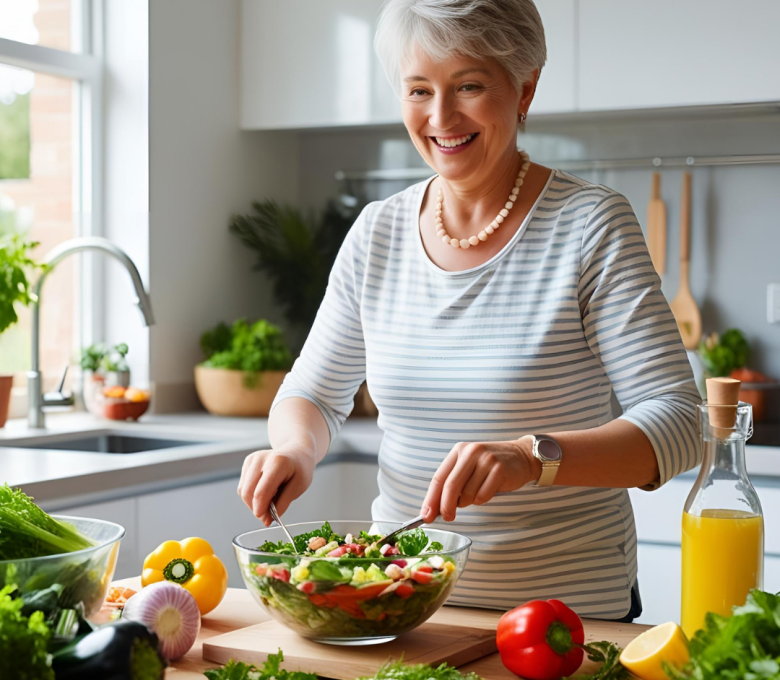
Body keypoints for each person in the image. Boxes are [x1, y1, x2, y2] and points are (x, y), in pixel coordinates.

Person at [238, 0, 701, 621]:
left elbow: (679, 423)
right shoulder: (377, 233)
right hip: (403, 611)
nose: (440, 116)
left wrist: (531, 458)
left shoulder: (590, 225)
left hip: (563, 621)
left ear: (524, 89)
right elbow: (314, 394)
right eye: (419, 89)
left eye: (469, 86)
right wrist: (294, 450)